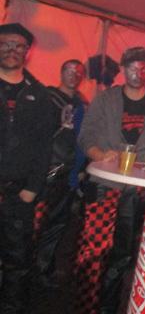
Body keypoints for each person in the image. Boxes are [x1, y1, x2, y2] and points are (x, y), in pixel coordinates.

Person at [76, 46, 145, 314]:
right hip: (104, 183)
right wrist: (100, 155)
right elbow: (86, 136)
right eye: (133, 67)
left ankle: (109, 307)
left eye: (144, 69)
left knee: (124, 252)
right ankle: (86, 306)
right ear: (122, 68)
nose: (138, 73)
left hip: (137, 188)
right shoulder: (105, 99)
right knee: (94, 250)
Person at [0, 23, 54, 313]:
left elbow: (44, 145)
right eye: (5, 44)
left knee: (17, 262)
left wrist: (33, 188)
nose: (12, 50)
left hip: (18, 193)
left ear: (27, 52)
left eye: (18, 45)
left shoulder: (40, 94)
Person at [32, 59, 87, 288]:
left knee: (57, 224)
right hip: (44, 171)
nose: (74, 75)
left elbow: (83, 141)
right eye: (69, 70)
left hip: (68, 174)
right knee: (33, 224)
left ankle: (42, 270)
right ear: (61, 72)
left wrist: (81, 169)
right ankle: (19, 269)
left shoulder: (83, 105)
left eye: (78, 72)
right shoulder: (46, 97)